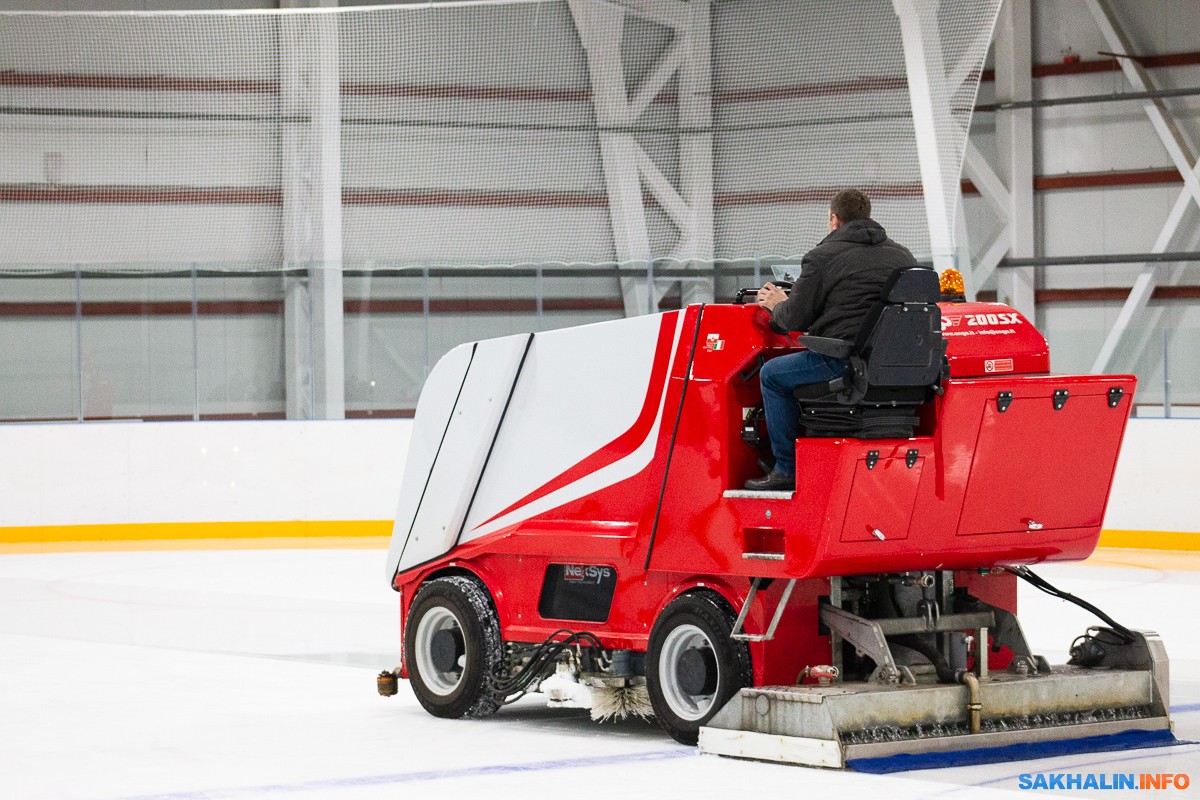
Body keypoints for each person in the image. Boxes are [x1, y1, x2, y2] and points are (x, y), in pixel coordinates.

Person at [745, 188, 918, 491]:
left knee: (771, 375)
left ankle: (786, 468)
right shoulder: (903, 256)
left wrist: (777, 304)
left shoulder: (822, 257)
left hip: (845, 361)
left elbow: (792, 320)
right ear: (867, 215)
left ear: (834, 219)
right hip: (897, 365)